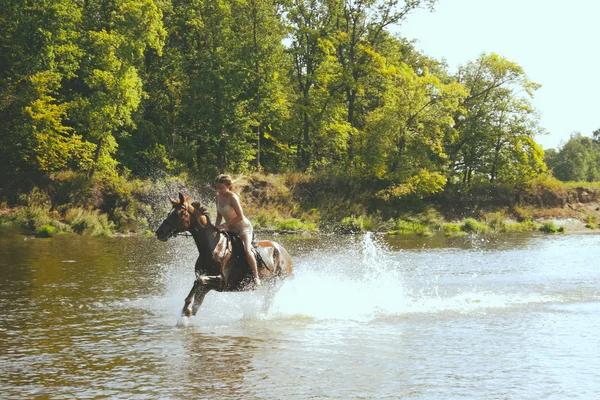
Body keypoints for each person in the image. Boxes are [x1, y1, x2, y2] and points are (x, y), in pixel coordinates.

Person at [214, 174, 261, 287]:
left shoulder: (233, 197)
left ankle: (256, 278)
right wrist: (215, 228)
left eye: (221, 188)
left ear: (228, 186)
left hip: (243, 228)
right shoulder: (218, 196)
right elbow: (219, 215)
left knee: (246, 249)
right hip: (229, 228)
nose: (219, 190)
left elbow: (240, 216)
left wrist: (225, 225)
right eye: (217, 188)